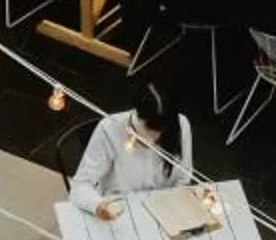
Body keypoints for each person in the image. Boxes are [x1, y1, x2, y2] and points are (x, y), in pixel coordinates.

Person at [68, 79, 197, 219]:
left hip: (165, 211)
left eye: (162, 131)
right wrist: (97, 205)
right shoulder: (110, 129)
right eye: (151, 129)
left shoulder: (180, 125)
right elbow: (80, 186)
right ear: (138, 115)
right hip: (121, 211)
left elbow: (183, 178)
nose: (155, 137)